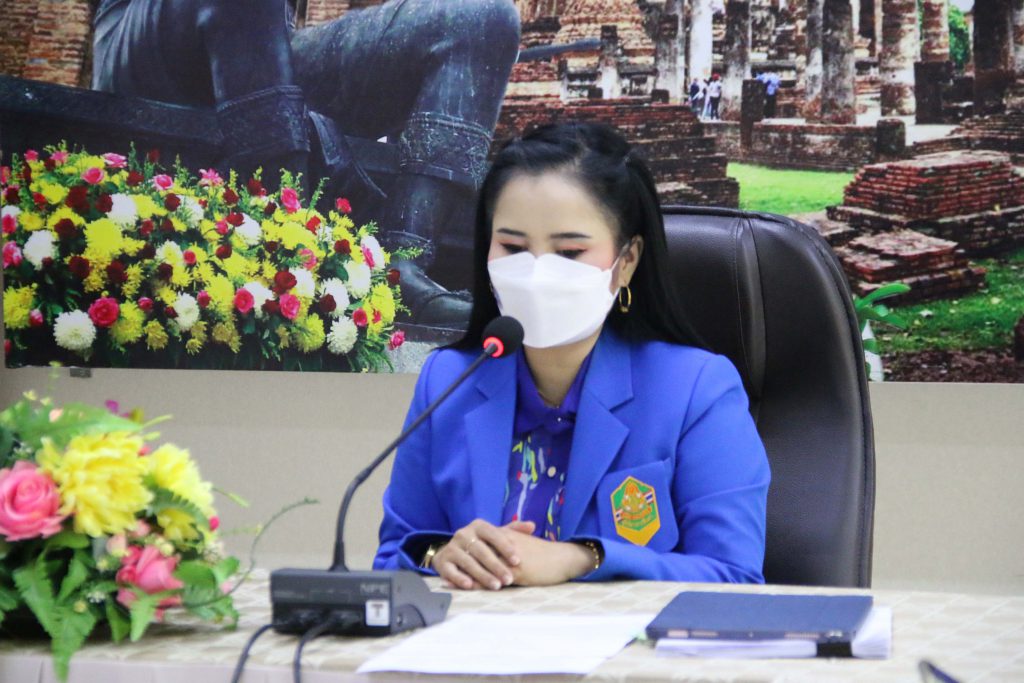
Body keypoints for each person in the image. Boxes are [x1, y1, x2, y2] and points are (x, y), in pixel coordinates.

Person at [373, 122, 770, 588]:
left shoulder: (695, 389)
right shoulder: (447, 380)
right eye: (513, 247)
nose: (536, 273)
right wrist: (441, 555)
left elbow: (734, 578)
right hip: (475, 634)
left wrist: (580, 559)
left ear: (627, 261)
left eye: (568, 252)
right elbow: (394, 558)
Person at [92, 0, 522, 328]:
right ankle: (289, 242)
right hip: (148, 34)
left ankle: (402, 263)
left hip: (265, 42)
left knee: (480, 16)